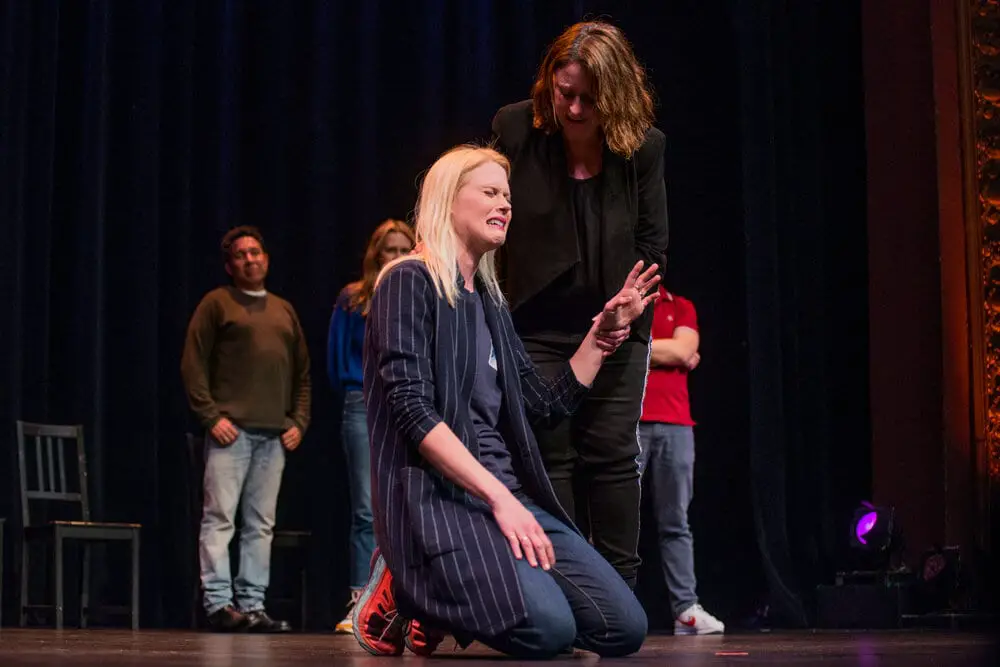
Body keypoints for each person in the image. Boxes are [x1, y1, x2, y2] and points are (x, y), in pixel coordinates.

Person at [351, 145, 659, 659]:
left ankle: (441, 600)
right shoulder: (408, 281)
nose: (505, 205)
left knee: (621, 627)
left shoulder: (491, 304)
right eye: (490, 192)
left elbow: (544, 402)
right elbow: (412, 410)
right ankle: (408, 589)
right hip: (443, 501)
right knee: (549, 631)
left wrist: (602, 335)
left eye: (508, 197)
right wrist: (499, 499)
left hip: (508, 498)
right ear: (449, 199)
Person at [491, 20, 668, 588]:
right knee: (551, 456)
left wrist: (631, 306)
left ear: (613, 96)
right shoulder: (516, 128)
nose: (572, 109)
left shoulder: (642, 147)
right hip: (539, 325)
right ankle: (565, 589)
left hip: (618, 325)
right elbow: (489, 210)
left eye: (588, 99)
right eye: (564, 93)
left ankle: (619, 595)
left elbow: (652, 243)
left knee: (613, 455)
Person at [181, 226, 311, 633]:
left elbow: (302, 375)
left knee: (260, 524)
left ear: (266, 259)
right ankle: (219, 604)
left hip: (274, 436)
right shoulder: (217, 304)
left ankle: (252, 605)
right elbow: (193, 365)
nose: (250, 259)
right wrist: (211, 417)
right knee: (220, 518)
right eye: (240, 255)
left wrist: (298, 422)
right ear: (229, 264)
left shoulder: (283, 310)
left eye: (255, 252)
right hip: (231, 434)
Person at [327, 219, 415, 633]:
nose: (396, 258)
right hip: (362, 404)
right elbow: (335, 360)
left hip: (407, 404)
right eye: (389, 251)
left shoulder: (419, 294)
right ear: (375, 255)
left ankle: (404, 603)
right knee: (367, 509)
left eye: (403, 250)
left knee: (406, 505)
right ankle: (360, 602)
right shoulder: (354, 298)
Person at [637, 288, 725, 635]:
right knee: (618, 520)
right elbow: (674, 351)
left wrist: (640, 350)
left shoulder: (681, 305)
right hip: (632, 422)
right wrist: (668, 352)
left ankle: (685, 610)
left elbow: (684, 349)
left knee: (676, 521)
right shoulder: (624, 302)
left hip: (676, 425)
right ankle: (606, 606)